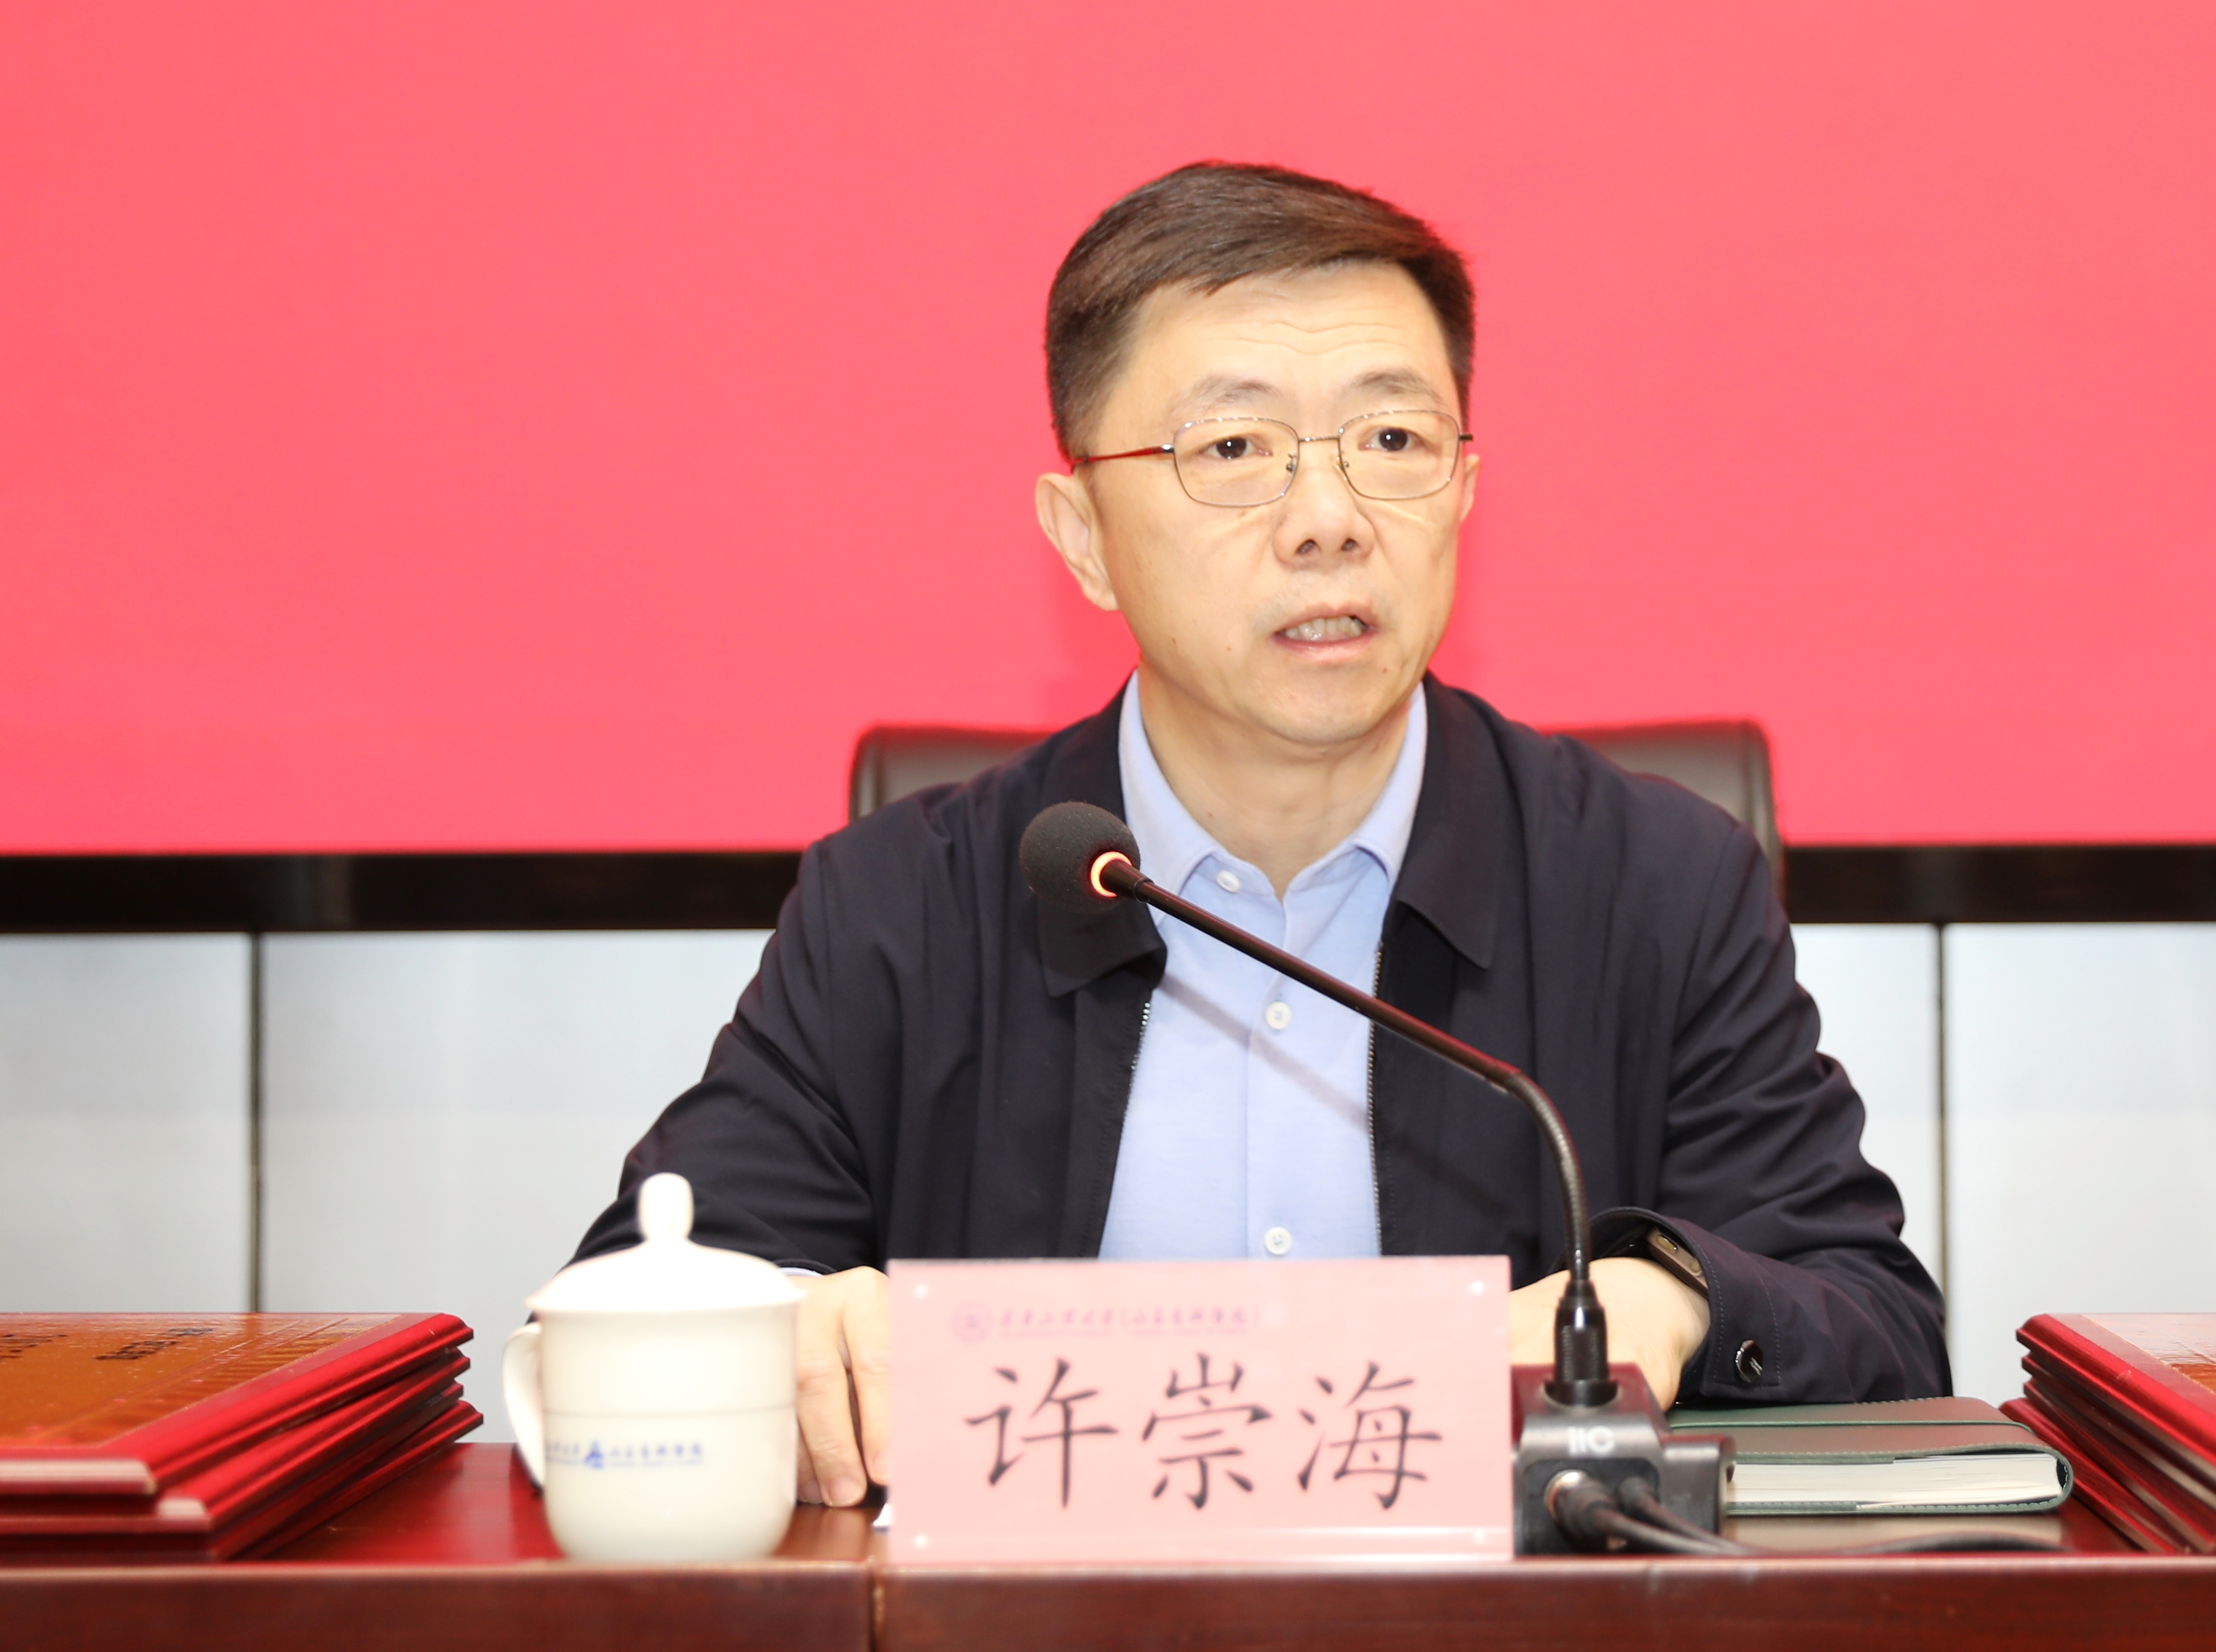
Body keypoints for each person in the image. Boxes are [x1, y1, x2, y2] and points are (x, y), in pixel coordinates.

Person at [573, 161, 1947, 1509]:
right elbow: (631, 1297)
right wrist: (790, 1319)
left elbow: (1878, 1327)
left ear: (1464, 490)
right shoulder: (900, 905)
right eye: (1232, 450)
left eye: (1392, 441)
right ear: (1083, 534)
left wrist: (1672, 1299)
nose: (1329, 522)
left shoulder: (1652, 885)